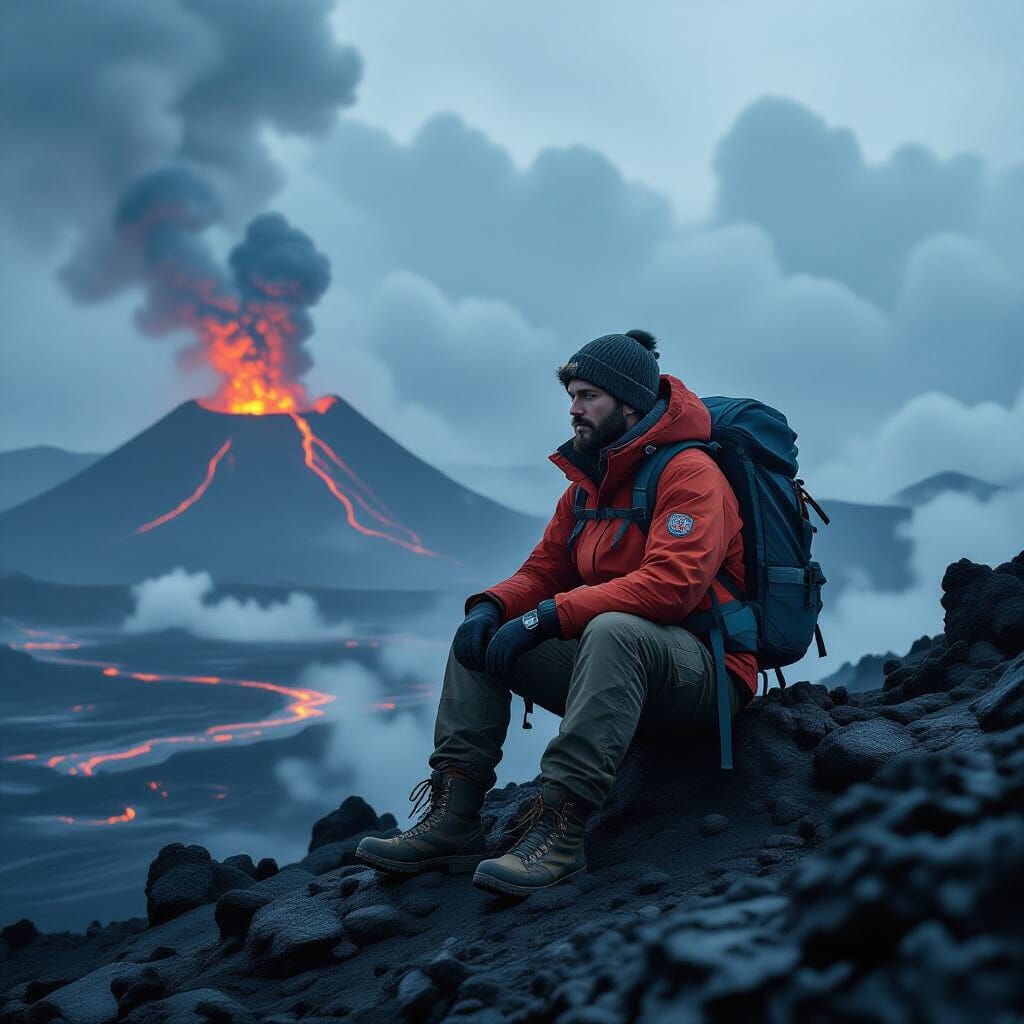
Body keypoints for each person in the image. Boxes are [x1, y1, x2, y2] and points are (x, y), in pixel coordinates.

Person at [356, 329, 756, 897]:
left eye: (588, 395)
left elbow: (673, 586)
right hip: (625, 672)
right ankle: (453, 819)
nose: (573, 410)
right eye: (570, 395)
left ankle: (560, 834)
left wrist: (548, 618)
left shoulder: (690, 474)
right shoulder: (587, 486)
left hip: (707, 675)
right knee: (483, 632)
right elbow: (544, 570)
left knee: (616, 630)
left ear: (629, 401)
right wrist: (493, 608)